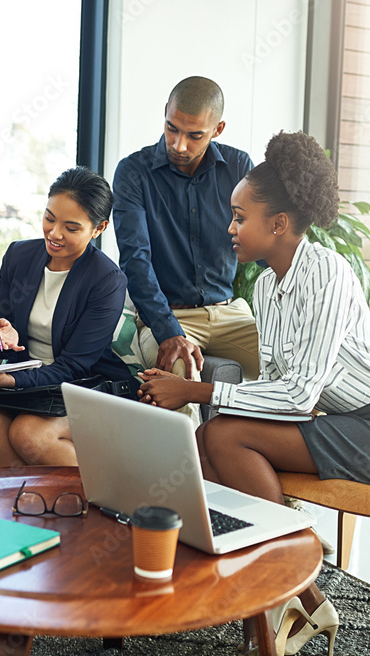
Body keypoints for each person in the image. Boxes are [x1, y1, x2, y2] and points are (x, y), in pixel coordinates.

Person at [137, 131, 370, 656]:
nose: (228, 227)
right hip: (350, 426)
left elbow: (300, 396)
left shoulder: (326, 272)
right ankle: (290, 594)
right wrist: (195, 394)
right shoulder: (265, 287)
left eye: (238, 217)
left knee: (223, 433)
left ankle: (283, 588)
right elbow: (274, 385)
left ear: (278, 224)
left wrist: (198, 390)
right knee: (209, 439)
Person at [0, 166, 136, 467]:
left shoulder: (107, 280)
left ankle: (100, 505)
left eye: (71, 227)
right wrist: (2, 338)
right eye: (49, 218)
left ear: (98, 228)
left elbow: (75, 366)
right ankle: (28, 503)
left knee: (29, 433)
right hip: (31, 383)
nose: (54, 234)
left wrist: (12, 382)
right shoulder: (19, 256)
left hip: (84, 385)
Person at [113, 75, 258, 418]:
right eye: (172, 128)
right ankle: (191, 473)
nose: (179, 145)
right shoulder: (134, 173)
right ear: (165, 113)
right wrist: (169, 332)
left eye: (195, 135)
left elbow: (264, 245)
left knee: (299, 364)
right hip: (170, 313)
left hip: (230, 313)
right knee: (177, 381)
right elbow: (136, 260)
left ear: (217, 129)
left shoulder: (239, 167)